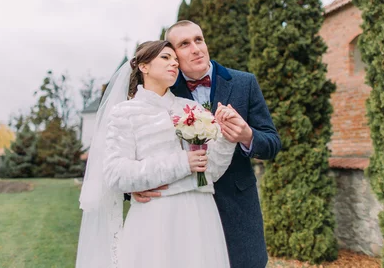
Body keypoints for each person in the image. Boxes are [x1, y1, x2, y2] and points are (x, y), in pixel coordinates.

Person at [76, 40, 237, 268]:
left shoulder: (192, 109)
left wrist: (228, 137)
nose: (174, 63)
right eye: (165, 57)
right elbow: (116, 174)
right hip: (156, 217)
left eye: (175, 60)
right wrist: (182, 163)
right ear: (144, 66)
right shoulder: (125, 113)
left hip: (200, 213)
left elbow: (213, 170)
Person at [132, 21, 281, 268]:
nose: (196, 49)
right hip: (183, 213)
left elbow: (272, 142)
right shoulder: (163, 90)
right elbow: (139, 145)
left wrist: (247, 135)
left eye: (199, 40)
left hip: (238, 211)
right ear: (174, 55)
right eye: (184, 44)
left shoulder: (244, 83)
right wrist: (135, 186)